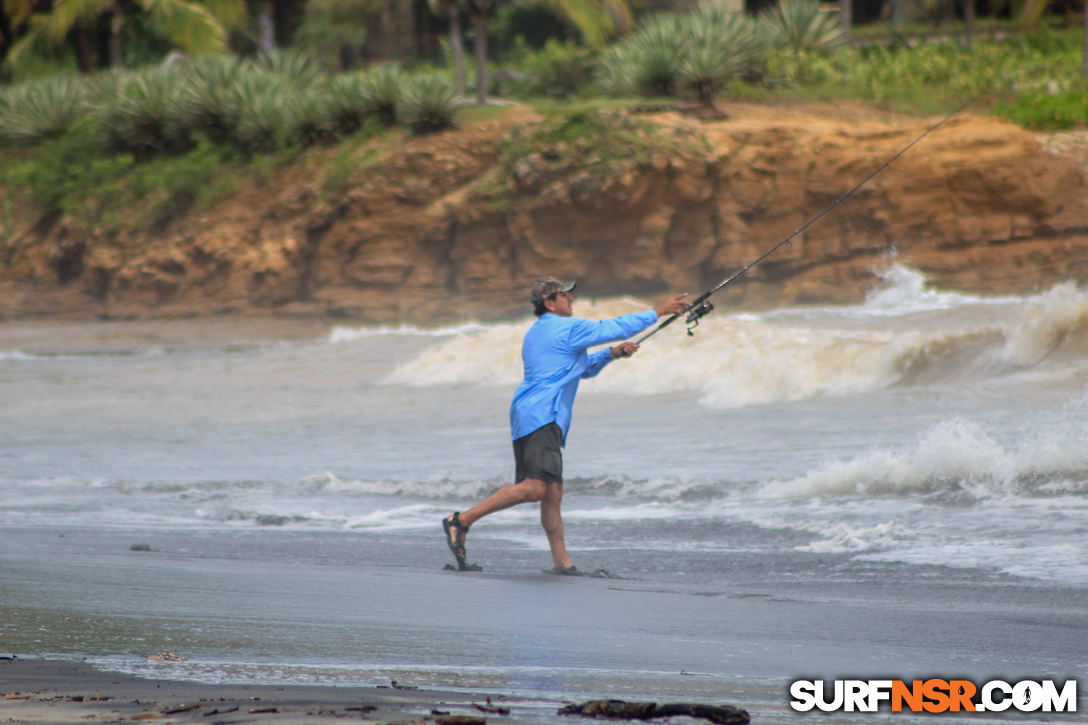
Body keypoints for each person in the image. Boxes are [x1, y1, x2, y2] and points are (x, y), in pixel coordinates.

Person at [442, 277, 689, 574]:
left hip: (535, 413)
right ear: (550, 303)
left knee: (552, 493)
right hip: (541, 414)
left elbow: (579, 369)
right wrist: (658, 311)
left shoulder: (543, 332)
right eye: (565, 296)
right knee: (534, 489)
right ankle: (462, 520)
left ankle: (562, 564)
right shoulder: (564, 328)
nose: (571, 300)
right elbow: (613, 327)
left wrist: (611, 354)